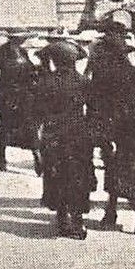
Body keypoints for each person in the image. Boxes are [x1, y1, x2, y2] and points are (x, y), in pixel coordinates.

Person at [87, 19, 135, 234]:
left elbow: (95, 100)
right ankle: (111, 211)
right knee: (125, 168)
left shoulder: (105, 71)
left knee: (114, 168)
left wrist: (96, 127)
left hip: (112, 127)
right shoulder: (134, 73)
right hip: (130, 129)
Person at [34, 38, 95, 239]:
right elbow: (93, 111)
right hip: (78, 136)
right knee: (78, 178)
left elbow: (37, 113)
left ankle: (62, 218)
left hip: (54, 135)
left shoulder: (46, 82)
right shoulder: (83, 82)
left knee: (57, 176)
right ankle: (77, 220)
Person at [0, 31, 37, 172]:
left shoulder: (23, 52)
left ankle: (36, 154)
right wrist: (25, 70)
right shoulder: (3, 51)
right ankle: (2, 157)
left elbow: (29, 68)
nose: (23, 41)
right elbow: (6, 69)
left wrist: (35, 71)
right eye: (21, 38)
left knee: (29, 124)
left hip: (23, 94)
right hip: (7, 93)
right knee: (5, 126)